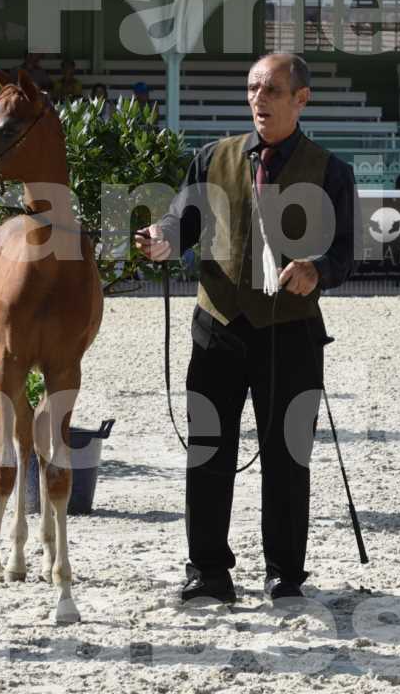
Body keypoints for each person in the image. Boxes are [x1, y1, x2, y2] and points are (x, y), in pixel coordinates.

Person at [134, 54, 356, 607]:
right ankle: (208, 571)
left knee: (287, 456)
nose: (259, 98)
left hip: (292, 332)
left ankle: (285, 574)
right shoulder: (210, 158)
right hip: (218, 326)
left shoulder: (332, 170)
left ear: (301, 99)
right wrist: (162, 239)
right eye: (253, 87)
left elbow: (347, 254)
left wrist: (317, 270)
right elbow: (181, 223)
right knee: (208, 451)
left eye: (272, 89)